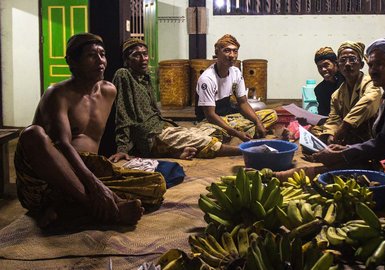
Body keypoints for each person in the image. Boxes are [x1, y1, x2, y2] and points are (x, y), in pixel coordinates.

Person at [14, 33, 166, 229]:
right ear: (72, 62)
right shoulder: (58, 94)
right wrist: (96, 187)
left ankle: (68, 209)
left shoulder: (109, 91)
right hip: (49, 179)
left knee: (155, 185)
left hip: (86, 171)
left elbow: (123, 121)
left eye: (102, 54)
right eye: (91, 56)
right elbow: (62, 144)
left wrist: (121, 151)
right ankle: (106, 210)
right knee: (32, 133)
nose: (100, 61)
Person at [109, 38, 241, 162]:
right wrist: (122, 148)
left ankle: (175, 151)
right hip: (150, 134)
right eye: (137, 55)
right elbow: (122, 114)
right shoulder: (123, 75)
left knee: (209, 131)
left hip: (163, 126)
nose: (143, 59)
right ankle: (243, 151)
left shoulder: (145, 78)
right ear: (127, 59)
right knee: (204, 140)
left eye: (145, 54)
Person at [307, 38, 385, 170]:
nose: (373, 70)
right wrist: (332, 135)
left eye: (379, 64)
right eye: (371, 65)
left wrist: (345, 133)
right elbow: (333, 118)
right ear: (339, 65)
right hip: (366, 148)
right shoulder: (338, 93)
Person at [195, 34, 277, 142]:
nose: (232, 55)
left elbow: (243, 103)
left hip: (230, 117)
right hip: (210, 121)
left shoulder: (236, 73)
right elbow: (210, 115)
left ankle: (240, 132)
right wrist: (236, 133)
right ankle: (240, 132)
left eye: (235, 51)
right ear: (217, 53)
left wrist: (258, 123)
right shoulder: (207, 79)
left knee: (271, 115)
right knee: (210, 132)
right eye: (227, 51)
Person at [319, 41, 382, 145]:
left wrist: (345, 126)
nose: (347, 64)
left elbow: (370, 100)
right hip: (350, 142)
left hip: (371, 142)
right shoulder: (337, 95)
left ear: (361, 65)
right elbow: (334, 119)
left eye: (352, 59)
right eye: (343, 60)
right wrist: (330, 134)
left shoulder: (370, 83)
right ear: (338, 66)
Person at [313, 47, 344, 116]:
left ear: (336, 63)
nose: (323, 69)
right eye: (319, 67)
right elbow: (323, 115)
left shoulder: (347, 81)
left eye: (326, 65)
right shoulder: (319, 90)